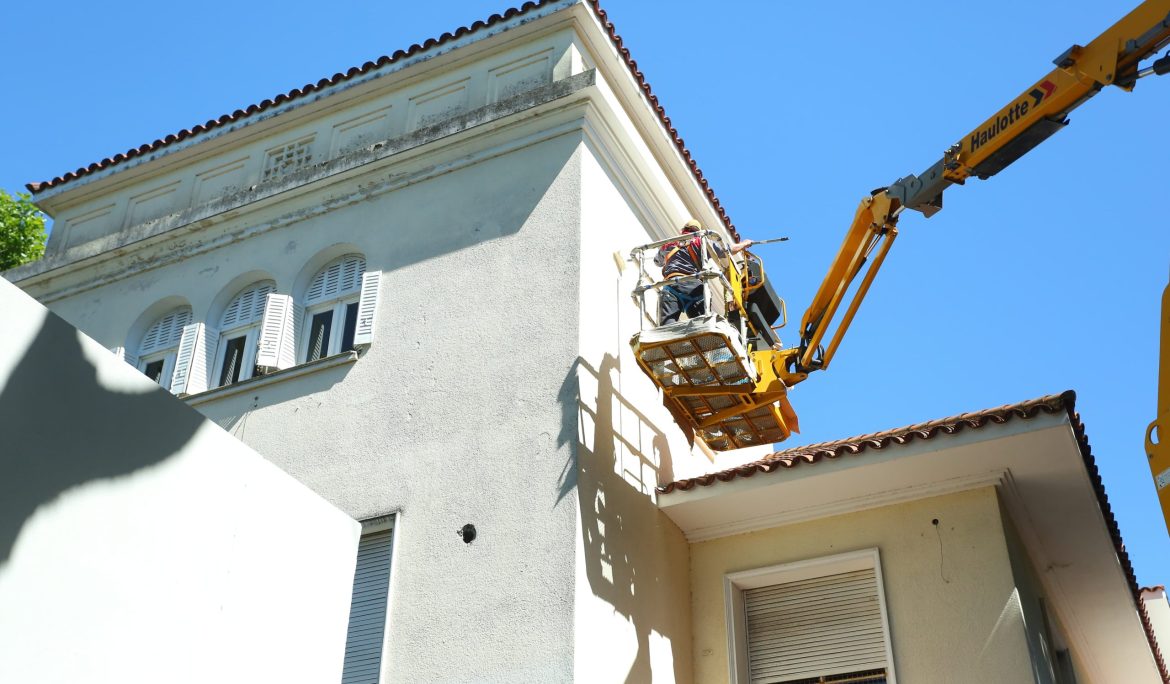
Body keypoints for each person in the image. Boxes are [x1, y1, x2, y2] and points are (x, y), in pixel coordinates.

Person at [654, 219, 754, 325]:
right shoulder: (701, 241)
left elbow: (657, 261)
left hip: (671, 286)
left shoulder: (668, 245)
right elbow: (729, 249)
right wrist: (745, 243)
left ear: (682, 231)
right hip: (693, 287)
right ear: (697, 231)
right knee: (702, 325)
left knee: (666, 327)